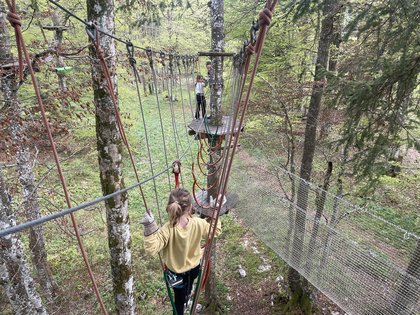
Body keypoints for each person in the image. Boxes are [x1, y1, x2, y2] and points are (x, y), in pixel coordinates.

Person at [140, 188, 223, 315]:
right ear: (190, 208)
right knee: (188, 288)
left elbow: (152, 249)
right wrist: (215, 212)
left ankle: (184, 301)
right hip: (194, 268)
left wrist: (149, 226)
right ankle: (187, 296)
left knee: (179, 299)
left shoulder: (167, 230)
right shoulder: (199, 223)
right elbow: (214, 231)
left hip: (175, 274)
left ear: (170, 207)